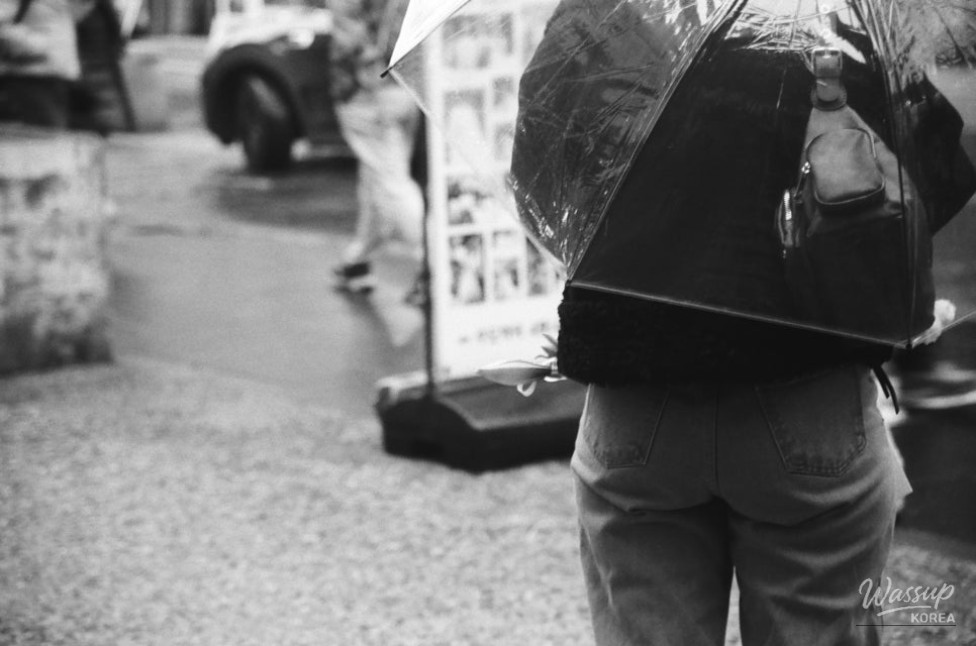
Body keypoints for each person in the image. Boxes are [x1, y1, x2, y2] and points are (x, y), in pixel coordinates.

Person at [511, 2, 975, 645]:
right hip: (807, 393)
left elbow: (537, 174)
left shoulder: (601, 16)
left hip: (634, 400)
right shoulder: (842, 30)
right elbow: (930, 172)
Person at [328, 0, 426, 302]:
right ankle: (356, 260)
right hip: (405, 86)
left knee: (392, 186)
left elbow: (350, 36)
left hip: (370, 93)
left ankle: (434, 265)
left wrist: (372, 80)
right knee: (377, 179)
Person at [0, 0, 82, 128]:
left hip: (55, 74)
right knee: (44, 138)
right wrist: (33, 45)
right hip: (27, 75)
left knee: (52, 136)